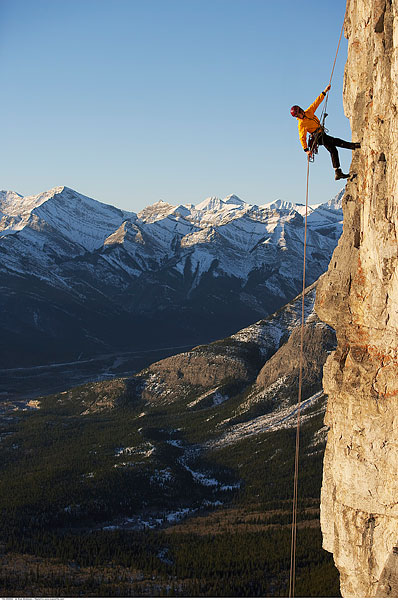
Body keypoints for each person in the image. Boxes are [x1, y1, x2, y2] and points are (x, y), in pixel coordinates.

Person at [290, 84, 360, 180]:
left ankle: (337, 171)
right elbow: (302, 137)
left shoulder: (308, 112)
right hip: (318, 137)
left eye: (300, 111)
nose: (301, 113)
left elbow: (316, 103)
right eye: (298, 113)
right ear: (297, 116)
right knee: (336, 141)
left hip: (321, 134)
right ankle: (354, 146)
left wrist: (325, 92)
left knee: (333, 150)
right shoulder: (301, 124)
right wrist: (306, 150)